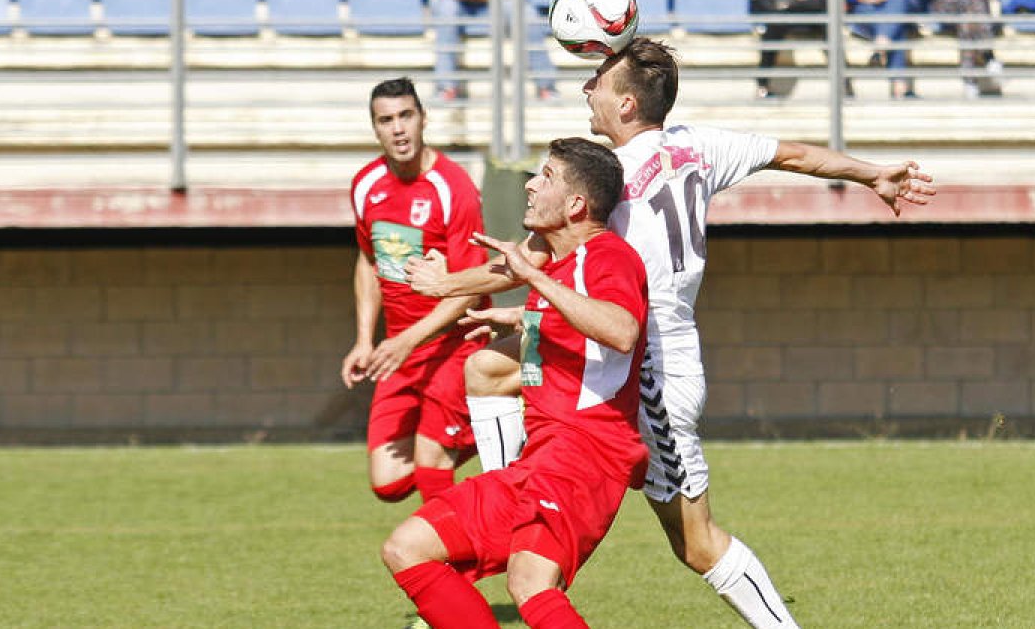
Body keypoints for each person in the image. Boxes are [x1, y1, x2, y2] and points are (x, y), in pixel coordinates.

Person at [406, 37, 936, 627]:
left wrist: (444, 285)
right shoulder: (697, 145)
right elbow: (796, 156)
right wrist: (871, 175)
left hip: (651, 363)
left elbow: (523, 257)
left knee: (696, 542)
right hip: (622, 346)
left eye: (599, 83)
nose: (588, 90)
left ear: (628, 105)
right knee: (489, 368)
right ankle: (514, 511)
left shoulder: (614, 179)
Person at [381, 137, 650, 628]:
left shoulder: (606, 256)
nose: (530, 183)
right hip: (543, 458)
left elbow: (622, 330)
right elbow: (571, 320)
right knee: (407, 547)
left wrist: (536, 282)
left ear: (575, 205)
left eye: (546, 176)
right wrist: (523, 316)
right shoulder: (565, 263)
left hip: (585, 457)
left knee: (528, 582)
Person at [340, 77, 490, 505]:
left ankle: (447, 564)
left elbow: (471, 287)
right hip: (400, 349)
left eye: (406, 116)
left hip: (455, 342)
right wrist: (365, 340)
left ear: (424, 118)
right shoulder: (366, 184)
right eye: (386, 120)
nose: (398, 129)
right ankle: (484, 423)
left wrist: (407, 339)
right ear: (375, 129)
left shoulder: (453, 187)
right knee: (387, 482)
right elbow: (368, 261)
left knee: (430, 462)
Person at [430, 0, 558, 101]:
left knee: (526, 12)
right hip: (462, 3)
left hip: (491, 1)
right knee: (447, 9)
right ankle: (446, 87)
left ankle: (546, 87)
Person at [845, 0, 927, 99]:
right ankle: (899, 87)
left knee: (897, 3)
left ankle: (881, 44)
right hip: (867, 4)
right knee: (897, 25)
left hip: (901, 0)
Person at [748, 0, 828, 99]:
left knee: (830, 24)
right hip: (776, 3)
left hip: (806, 1)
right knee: (773, 27)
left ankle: (844, 84)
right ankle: (763, 86)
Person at [925, 0, 1003, 98]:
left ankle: (970, 82)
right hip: (946, 4)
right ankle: (988, 55)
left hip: (972, 9)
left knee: (967, 20)